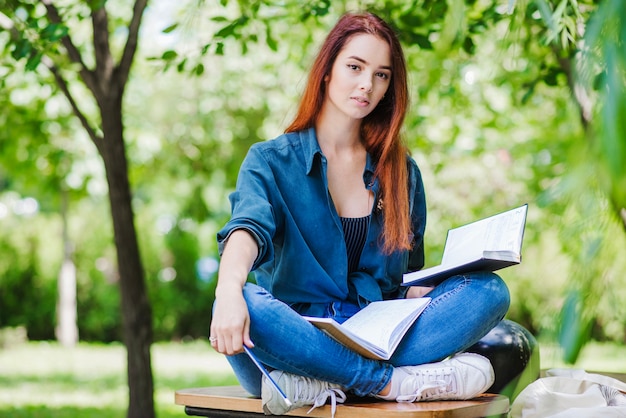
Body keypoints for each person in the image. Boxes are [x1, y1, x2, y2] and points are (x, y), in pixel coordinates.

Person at [209, 11, 510, 416]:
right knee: (243, 298)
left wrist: (425, 289)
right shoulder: (270, 161)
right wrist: (228, 291)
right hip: (295, 338)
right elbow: (247, 231)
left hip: (379, 335)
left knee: (489, 291)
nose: (367, 84)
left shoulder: (402, 173)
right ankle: (385, 384)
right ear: (328, 71)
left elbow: (406, 280)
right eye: (355, 67)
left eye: (382, 75)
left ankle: (320, 383)